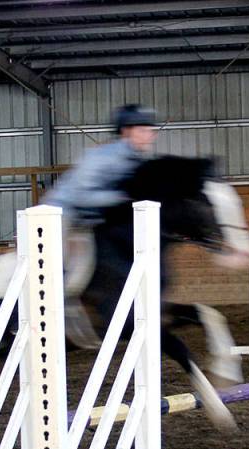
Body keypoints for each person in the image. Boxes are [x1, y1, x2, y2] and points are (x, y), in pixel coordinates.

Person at [43, 104, 159, 346]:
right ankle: (53, 311)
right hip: (61, 215)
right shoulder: (101, 157)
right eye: (144, 129)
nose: (151, 134)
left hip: (91, 220)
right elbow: (81, 195)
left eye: (151, 129)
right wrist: (124, 199)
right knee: (73, 270)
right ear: (127, 131)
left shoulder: (136, 160)